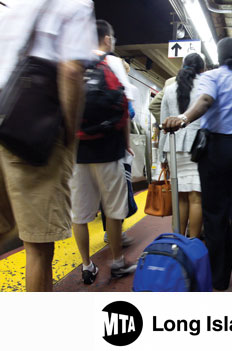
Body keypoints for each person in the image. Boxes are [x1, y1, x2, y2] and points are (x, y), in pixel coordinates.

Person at [0, 0, 97, 291]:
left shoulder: (17, 5)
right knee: (39, 247)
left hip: (4, 125)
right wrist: (69, 134)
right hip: (33, 135)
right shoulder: (76, 2)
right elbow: (70, 70)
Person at [163, 37, 232, 291]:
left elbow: (205, 101)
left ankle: (219, 279)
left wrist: (183, 119)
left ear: (218, 56)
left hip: (217, 149)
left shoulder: (211, 77)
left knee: (216, 216)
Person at [71, 20, 136, 285]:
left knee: (79, 214)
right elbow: (126, 107)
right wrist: (126, 142)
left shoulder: (73, 62)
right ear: (107, 39)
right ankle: (118, 262)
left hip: (78, 151)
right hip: (109, 149)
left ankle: (87, 266)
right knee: (114, 209)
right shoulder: (114, 63)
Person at [159, 53, 204, 237]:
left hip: (173, 146)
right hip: (198, 147)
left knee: (180, 198)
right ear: (202, 68)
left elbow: (163, 123)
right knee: (196, 198)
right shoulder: (204, 86)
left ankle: (178, 239)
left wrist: (162, 155)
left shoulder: (169, 89)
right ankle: (193, 242)